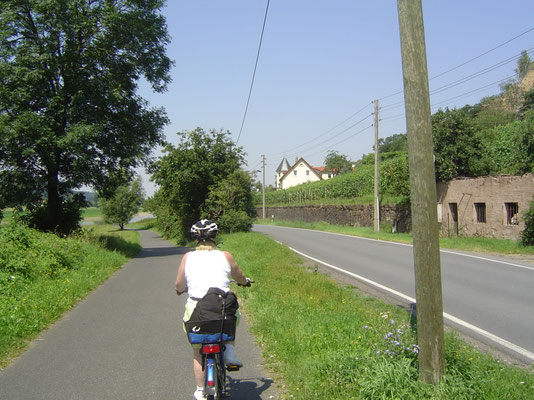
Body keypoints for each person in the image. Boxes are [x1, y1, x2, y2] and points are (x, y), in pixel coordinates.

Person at [175, 219, 251, 400]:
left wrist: (179, 290)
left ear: (195, 239)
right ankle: (230, 351)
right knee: (235, 316)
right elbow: (239, 276)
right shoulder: (225, 256)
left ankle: (201, 390)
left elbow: (179, 284)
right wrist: (245, 282)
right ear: (215, 237)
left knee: (198, 352)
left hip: (196, 311)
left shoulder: (188, 257)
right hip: (222, 308)